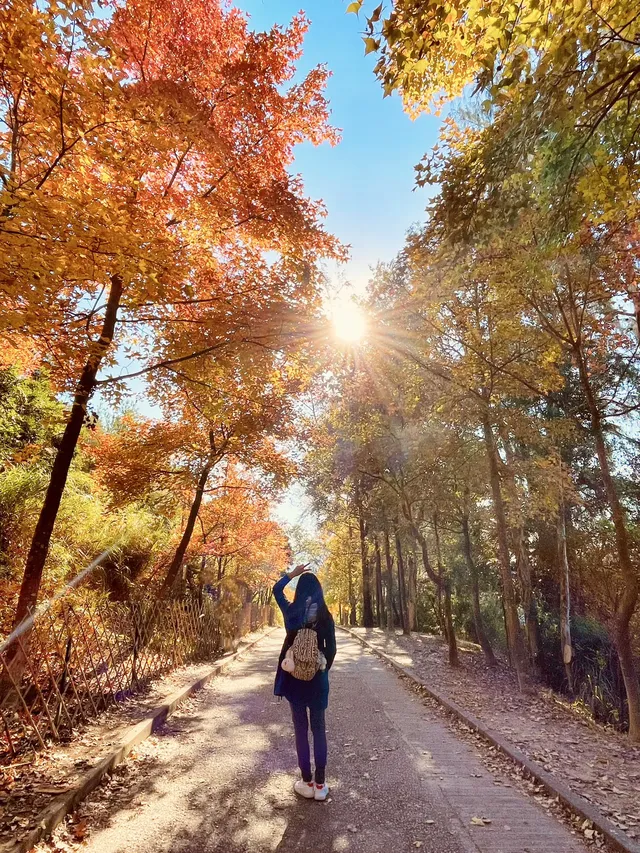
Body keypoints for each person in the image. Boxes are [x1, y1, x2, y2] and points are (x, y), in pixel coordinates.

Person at [273, 564, 336, 801]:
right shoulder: (325, 617)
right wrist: (320, 669)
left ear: (299, 590)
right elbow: (332, 650)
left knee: (300, 730)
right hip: (317, 682)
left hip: (294, 681)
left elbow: (276, 590)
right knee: (318, 729)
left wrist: (291, 574)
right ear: (319, 591)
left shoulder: (292, 612)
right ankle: (320, 785)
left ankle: (306, 781)